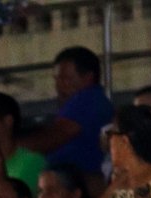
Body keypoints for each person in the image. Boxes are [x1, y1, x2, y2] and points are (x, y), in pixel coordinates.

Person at [22, 46, 115, 182]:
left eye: (66, 79)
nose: (59, 85)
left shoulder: (87, 100)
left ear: (88, 78)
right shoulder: (85, 101)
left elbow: (51, 139)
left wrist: (9, 146)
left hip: (78, 182)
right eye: (57, 79)